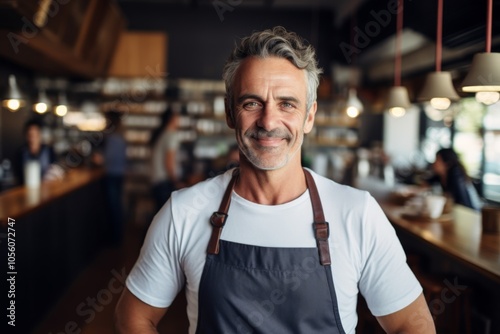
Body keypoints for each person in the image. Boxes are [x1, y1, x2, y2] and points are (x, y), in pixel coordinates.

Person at [115, 27, 435, 333]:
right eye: (252, 103)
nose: (268, 121)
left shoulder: (358, 214)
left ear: (309, 116)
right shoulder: (182, 212)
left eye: (287, 104)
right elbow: (132, 318)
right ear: (230, 113)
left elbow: (412, 325)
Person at [93, 111, 128, 246]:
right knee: (117, 205)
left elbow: (105, 158)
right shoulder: (121, 136)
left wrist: (97, 158)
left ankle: (115, 239)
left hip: (112, 175)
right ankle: (117, 237)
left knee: (113, 206)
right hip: (119, 174)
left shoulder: (113, 138)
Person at [149, 108, 182, 212]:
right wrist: (176, 181)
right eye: (177, 117)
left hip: (157, 182)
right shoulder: (171, 135)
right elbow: (169, 162)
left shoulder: (162, 134)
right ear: (172, 119)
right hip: (165, 183)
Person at [15, 118, 59, 185]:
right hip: (27, 187)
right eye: (31, 134)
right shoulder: (20, 152)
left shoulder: (49, 150)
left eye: (35, 134)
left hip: (46, 186)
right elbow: (18, 175)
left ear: (40, 134)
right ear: (26, 135)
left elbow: (55, 168)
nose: (33, 137)